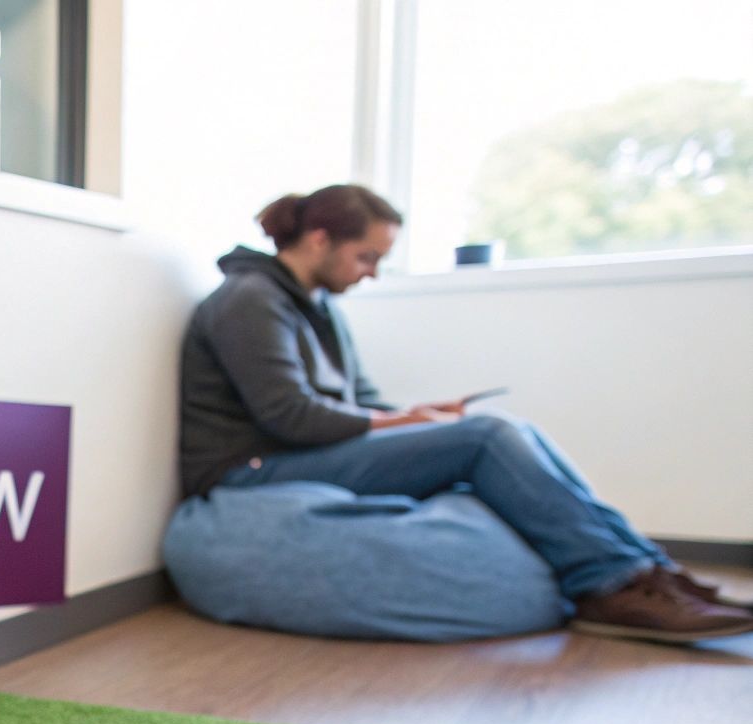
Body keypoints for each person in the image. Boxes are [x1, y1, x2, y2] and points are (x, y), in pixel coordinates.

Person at [177, 183, 752, 643]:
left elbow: (360, 401)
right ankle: (608, 585)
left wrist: (419, 415)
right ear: (321, 239)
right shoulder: (249, 301)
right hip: (252, 469)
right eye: (367, 257)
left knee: (508, 431)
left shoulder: (318, 308)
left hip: (306, 454)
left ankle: (647, 571)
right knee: (487, 438)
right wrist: (406, 426)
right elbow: (291, 418)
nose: (372, 272)